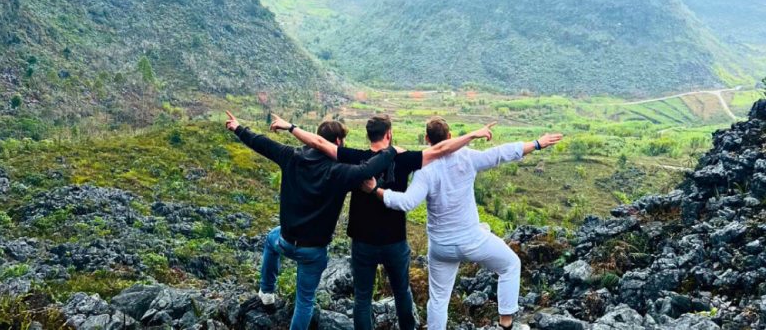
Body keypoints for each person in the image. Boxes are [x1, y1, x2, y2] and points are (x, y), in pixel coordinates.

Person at [272, 113, 495, 330]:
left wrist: (290, 127)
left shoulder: (353, 156)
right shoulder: (404, 158)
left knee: (362, 299)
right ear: (388, 134)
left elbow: (319, 142)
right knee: (402, 293)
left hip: (362, 241)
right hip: (394, 241)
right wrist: (472, 135)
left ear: (369, 135)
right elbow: (441, 148)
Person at [362, 117, 563, 330]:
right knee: (510, 265)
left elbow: (407, 202)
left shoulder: (424, 169)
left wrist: (376, 190)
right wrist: (537, 144)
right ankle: (506, 323)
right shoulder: (467, 157)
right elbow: (500, 153)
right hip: (472, 241)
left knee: (438, 299)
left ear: (427, 139)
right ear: (450, 137)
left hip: (441, 247)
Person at [225, 111, 397, 330]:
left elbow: (261, 143)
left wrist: (238, 127)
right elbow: (368, 169)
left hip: (286, 240)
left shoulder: (291, 156)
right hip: (312, 252)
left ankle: (266, 292)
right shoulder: (339, 172)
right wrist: (389, 151)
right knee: (304, 302)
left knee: (270, 239)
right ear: (337, 142)